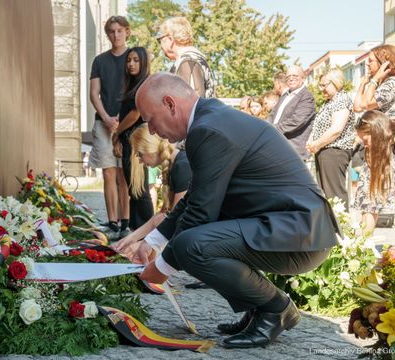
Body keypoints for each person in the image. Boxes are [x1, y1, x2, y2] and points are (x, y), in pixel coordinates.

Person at [130, 73, 339, 349]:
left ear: (170, 104)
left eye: (150, 120)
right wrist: (153, 241)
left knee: (191, 245)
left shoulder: (208, 129)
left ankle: (275, 308)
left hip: (299, 234)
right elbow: (196, 197)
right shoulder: (211, 120)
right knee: (192, 241)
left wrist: (162, 266)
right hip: (292, 227)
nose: (153, 131)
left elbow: (199, 215)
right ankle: (258, 305)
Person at [113, 123, 192, 255]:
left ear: (150, 149)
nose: (139, 160)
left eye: (139, 154)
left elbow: (176, 219)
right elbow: (161, 216)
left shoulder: (182, 166)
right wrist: (130, 239)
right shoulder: (175, 164)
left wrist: (144, 243)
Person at [89, 15, 131, 239]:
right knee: (108, 173)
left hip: (127, 123)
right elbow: (93, 93)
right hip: (103, 123)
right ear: (107, 34)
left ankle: (126, 221)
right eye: (111, 31)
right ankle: (113, 222)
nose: (116, 35)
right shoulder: (100, 61)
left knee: (125, 174)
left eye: (119, 31)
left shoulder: (134, 57)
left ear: (127, 32)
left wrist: (122, 120)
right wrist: (106, 117)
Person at [112, 47, 154, 230]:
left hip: (138, 143)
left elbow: (135, 114)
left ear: (144, 62)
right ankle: (137, 232)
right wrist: (120, 139)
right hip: (129, 141)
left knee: (140, 190)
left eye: (136, 60)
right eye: (129, 60)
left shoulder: (144, 84)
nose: (131, 64)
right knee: (134, 190)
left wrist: (115, 134)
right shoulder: (131, 85)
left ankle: (146, 234)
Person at [306, 69, 355, 210]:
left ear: (335, 83)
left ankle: (341, 227)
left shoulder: (342, 100)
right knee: (326, 195)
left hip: (334, 152)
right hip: (325, 151)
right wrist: (312, 142)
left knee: (335, 195)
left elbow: (336, 130)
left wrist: (316, 144)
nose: (321, 89)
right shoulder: (329, 102)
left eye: (324, 85)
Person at [353, 110, 395, 235]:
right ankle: (359, 246)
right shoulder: (370, 156)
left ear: (377, 132)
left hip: (388, 165)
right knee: (368, 204)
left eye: (366, 140)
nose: (364, 145)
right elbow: (368, 207)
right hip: (376, 167)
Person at [157, 16, 215, 98]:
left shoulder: (188, 61)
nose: (160, 46)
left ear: (170, 39)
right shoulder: (192, 58)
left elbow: (193, 101)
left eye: (160, 39)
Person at [268, 65, 316, 162]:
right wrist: (262, 126)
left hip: (294, 151)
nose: (291, 78)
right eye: (288, 76)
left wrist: (272, 129)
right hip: (278, 148)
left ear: (303, 78)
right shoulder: (285, 95)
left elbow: (296, 121)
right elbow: (272, 116)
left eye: (295, 76)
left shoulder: (306, 97)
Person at [354, 44, 395, 120]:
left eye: (370, 61)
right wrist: (363, 84)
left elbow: (365, 104)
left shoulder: (391, 83)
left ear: (383, 63)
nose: (367, 64)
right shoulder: (379, 84)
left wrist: (375, 79)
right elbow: (357, 108)